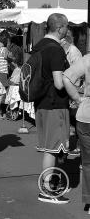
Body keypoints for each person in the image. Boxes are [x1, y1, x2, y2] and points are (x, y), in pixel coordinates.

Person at [33, 13, 70, 204]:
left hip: (41, 103)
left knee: (51, 148)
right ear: (60, 27)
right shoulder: (55, 50)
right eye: (66, 26)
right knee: (52, 149)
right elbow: (58, 83)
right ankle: (48, 190)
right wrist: (74, 87)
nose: (67, 29)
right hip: (54, 104)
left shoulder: (39, 46)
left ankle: (51, 183)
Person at [62, 53, 90, 214]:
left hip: (86, 115)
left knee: (87, 162)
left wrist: (77, 98)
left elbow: (66, 77)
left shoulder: (87, 59)